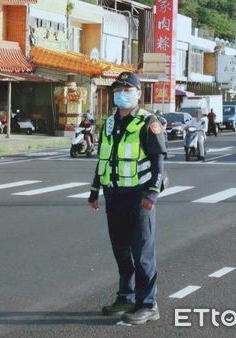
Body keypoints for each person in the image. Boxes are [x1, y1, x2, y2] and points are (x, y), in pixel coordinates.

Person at [87, 71, 167, 325]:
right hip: (114, 194)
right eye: (118, 90)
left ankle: (148, 304)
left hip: (139, 196)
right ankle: (126, 297)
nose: (122, 94)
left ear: (138, 93)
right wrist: (94, 190)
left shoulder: (148, 122)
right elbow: (105, 158)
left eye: (127, 90)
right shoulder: (109, 123)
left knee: (142, 251)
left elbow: (158, 162)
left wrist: (153, 193)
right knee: (121, 250)